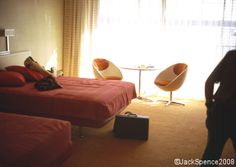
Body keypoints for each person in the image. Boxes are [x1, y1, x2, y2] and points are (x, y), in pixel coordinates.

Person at [201, 49, 236, 166]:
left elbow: (209, 82)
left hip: (221, 112)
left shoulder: (232, 55)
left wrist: (209, 105)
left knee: (211, 154)